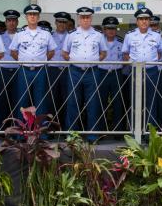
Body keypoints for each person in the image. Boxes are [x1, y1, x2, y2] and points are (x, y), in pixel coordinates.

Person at [62, 7, 107, 139]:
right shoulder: (71, 34)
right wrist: (74, 60)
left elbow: (103, 52)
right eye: (83, 17)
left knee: (93, 103)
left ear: (91, 18)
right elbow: (64, 53)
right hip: (75, 71)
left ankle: (92, 135)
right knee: (73, 102)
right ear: (79, 19)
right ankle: (72, 135)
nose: (85, 19)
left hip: (92, 71)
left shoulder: (98, 35)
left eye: (87, 17)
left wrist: (94, 61)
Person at [9, 4, 56, 120]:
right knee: (22, 99)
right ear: (26, 17)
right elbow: (13, 51)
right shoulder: (20, 34)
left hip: (40, 70)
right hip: (24, 70)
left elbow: (51, 51)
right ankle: (21, 133)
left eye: (35, 14)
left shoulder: (46, 34)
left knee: (41, 100)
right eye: (30, 14)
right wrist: (21, 61)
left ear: (38, 17)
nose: (32, 17)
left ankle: (40, 131)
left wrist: (43, 60)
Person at [122, 8, 162, 132]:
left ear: (150, 21)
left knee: (151, 102)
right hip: (135, 71)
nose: (144, 21)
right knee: (135, 101)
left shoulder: (156, 36)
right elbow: (125, 53)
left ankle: (149, 132)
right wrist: (132, 63)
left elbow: (160, 53)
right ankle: (135, 131)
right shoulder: (129, 35)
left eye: (146, 19)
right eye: (141, 19)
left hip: (151, 71)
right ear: (137, 21)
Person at [98, 16, 127, 132]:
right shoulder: (99, 41)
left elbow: (125, 59)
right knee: (100, 102)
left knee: (118, 103)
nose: (111, 31)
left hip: (116, 74)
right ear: (104, 29)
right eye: (108, 28)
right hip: (101, 73)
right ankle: (99, 130)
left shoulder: (121, 42)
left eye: (113, 28)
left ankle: (118, 131)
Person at [49, 11, 71, 124]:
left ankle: (66, 128)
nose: (61, 24)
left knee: (67, 99)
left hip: (67, 71)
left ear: (67, 23)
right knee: (53, 99)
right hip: (52, 70)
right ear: (55, 22)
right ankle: (52, 127)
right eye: (59, 21)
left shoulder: (72, 36)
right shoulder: (49, 35)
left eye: (64, 22)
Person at [0, 9, 20, 120]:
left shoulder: (22, 35)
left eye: (13, 20)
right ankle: (3, 128)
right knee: (3, 100)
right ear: (5, 22)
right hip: (2, 71)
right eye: (9, 20)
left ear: (17, 22)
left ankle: (18, 128)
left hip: (18, 71)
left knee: (17, 99)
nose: (11, 23)